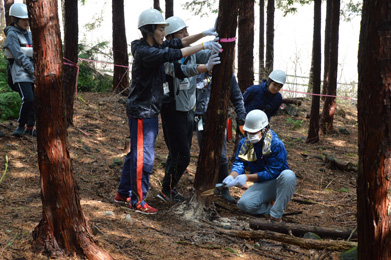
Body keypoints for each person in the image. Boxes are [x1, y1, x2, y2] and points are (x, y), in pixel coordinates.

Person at [114, 9, 222, 214]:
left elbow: (176, 44)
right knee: (142, 158)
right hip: (142, 111)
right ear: (150, 30)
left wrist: (204, 34)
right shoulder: (147, 52)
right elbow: (172, 53)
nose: (165, 33)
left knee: (135, 155)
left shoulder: (154, 45)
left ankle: (123, 192)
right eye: (161, 29)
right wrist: (203, 45)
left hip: (149, 110)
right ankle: (137, 201)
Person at [157, 16, 221, 204]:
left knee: (176, 153)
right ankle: (165, 190)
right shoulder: (166, 56)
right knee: (182, 156)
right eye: (181, 32)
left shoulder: (191, 52)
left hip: (188, 110)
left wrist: (217, 42)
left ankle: (168, 189)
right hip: (172, 110)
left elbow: (206, 55)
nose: (186, 34)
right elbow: (182, 70)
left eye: (186, 30)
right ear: (170, 37)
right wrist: (204, 67)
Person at [222, 109, 296, 221]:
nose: (250, 135)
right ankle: (270, 208)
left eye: (254, 132)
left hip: (278, 183)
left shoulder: (276, 144)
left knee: (289, 175)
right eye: (248, 132)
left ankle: (276, 214)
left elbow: (272, 172)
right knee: (244, 204)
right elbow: (239, 162)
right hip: (262, 184)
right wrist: (232, 176)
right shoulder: (244, 143)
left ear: (264, 129)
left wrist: (247, 177)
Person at [195, 72, 246, 203]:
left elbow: (237, 98)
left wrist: (241, 117)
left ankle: (223, 188)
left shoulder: (227, 74)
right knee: (204, 152)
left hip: (219, 120)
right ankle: (203, 185)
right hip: (200, 119)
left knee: (221, 155)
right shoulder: (198, 71)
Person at [4, 3, 36, 137]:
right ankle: (20, 125)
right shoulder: (12, 35)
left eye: (28, 19)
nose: (27, 22)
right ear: (15, 20)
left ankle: (30, 127)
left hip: (32, 72)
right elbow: (19, 57)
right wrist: (33, 71)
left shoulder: (29, 34)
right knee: (28, 99)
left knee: (35, 100)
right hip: (19, 74)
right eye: (24, 20)